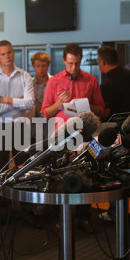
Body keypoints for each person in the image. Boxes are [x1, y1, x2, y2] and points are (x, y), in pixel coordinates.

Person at [42, 43, 105, 233]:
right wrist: (60, 103)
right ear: (64, 61)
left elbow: (101, 109)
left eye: (77, 64)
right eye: (70, 64)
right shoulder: (53, 82)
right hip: (60, 135)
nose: (74, 68)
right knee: (56, 177)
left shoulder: (91, 80)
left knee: (86, 174)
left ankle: (84, 218)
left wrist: (87, 106)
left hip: (85, 135)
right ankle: (55, 220)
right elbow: (45, 112)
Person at [96, 46, 130, 222]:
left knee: (114, 169)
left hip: (115, 131)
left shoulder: (107, 82)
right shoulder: (129, 74)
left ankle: (115, 212)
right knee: (127, 167)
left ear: (102, 62)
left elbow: (106, 112)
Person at [0, 40, 34, 222]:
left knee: (24, 169)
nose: (7, 56)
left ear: (13, 53)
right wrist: (18, 102)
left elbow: (30, 103)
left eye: (10, 52)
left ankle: (26, 213)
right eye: (3, 54)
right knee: (0, 171)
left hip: (20, 126)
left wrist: (6, 99)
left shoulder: (24, 76)